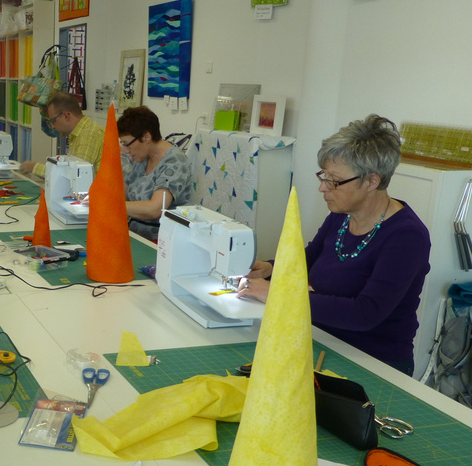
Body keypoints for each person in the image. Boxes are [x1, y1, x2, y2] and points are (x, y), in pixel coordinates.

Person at [236, 114, 430, 376]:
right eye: (323, 176)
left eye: (334, 181)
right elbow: (309, 258)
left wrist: (278, 295)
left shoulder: (406, 236)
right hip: (324, 343)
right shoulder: (343, 214)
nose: (323, 188)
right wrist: (270, 269)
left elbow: (365, 313)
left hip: (375, 364)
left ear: (372, 181)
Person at [117, 105, 192, 241]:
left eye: (127, 144)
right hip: (135, 234)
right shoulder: (141, 158)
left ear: (146, 137)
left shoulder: (175, 162)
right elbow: (122, 194)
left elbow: (155, 209)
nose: (126, 150)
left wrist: (110, 204)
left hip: (162, 239)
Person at [18, 91, 104, 177]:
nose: (52, 126)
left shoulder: (89, 135)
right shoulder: (78, 134)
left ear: (66, 116)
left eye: (53, 121)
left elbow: (75, 175)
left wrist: (34, 167)